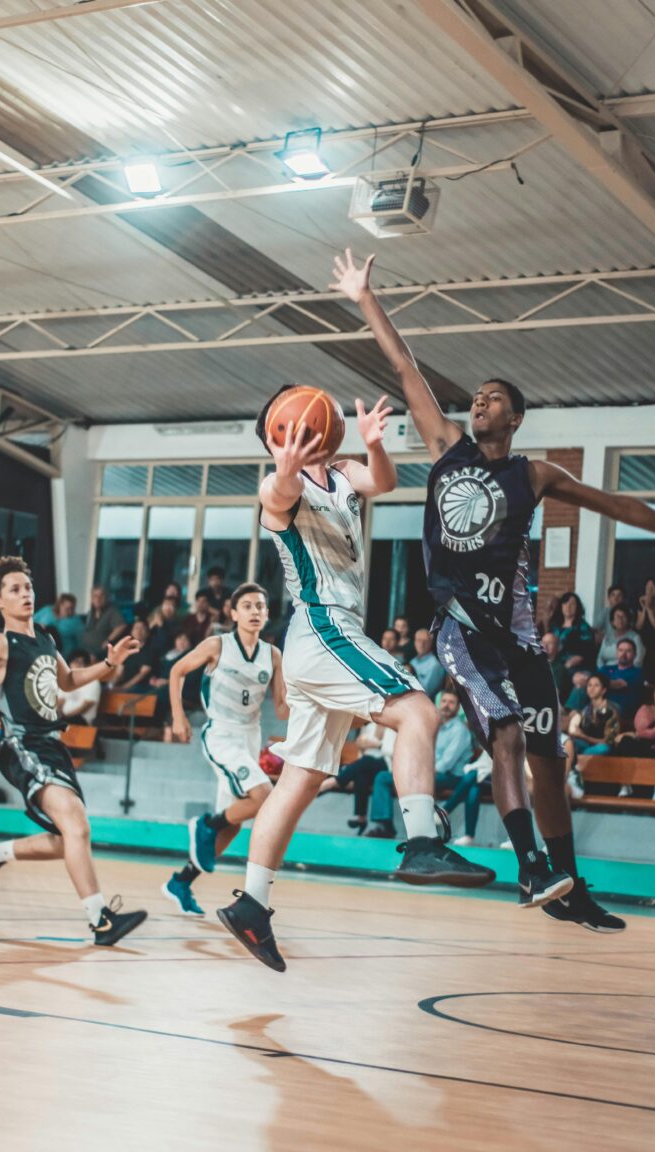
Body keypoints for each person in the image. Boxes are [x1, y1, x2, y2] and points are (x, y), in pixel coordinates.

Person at [335, 246, 655, 928]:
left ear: (514, 419)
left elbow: (614, 503)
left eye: (493, 399)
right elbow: (405, 367)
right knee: (507, 735)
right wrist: (366, 299)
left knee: (549, 758)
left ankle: (570, 888)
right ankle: (530, 869)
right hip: (461, 629)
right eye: (477, 397)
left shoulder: (532, 474)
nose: (479, 402)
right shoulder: (446, 445)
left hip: (518, 638)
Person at [216, 386, 495, 972]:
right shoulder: (279, 489)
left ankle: (252, 904)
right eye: (294, 425)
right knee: (418, 710)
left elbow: (383, 483)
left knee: (301, 779)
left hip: (325, 638)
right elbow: (276, 494)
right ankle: (422, 842)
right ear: (282, 436)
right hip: (323, 630)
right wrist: (284, 468)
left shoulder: (343, 473)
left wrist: (374, 445)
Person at [0, 556, 146, 945]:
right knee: (77, 825)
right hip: (22, 744)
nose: (25, 594)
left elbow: (69, 680)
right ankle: (101, 922)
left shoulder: (44, 637)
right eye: (15, 589)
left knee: (67, 838)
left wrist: (108, 663)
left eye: (27, 587)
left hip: (53, 746)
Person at [161, 583, 288, 916]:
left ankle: (181, 882)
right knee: (263, 796)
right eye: (247, 606)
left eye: (260, 606)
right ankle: (206, 824)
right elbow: (176, 671)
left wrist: (318, 705)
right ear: (233, 613)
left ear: (267, 614)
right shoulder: (217, 645)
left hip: (250, 736)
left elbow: (282, 708)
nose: (255, 611)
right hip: (220, 733)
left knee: (233, 825)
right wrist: (178, 716)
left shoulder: (273, 655)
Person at [366, 689, 475, 837]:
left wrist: (420, 772)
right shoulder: (433, 726)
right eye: (444, 701)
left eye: (451, 703)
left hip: (452, 777)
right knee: (382, 777)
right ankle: (385, 825)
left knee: (417, 780)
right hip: (431, 773)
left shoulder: (460, 730)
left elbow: (446, 764)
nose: (446, 705)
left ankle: (423, 831)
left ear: (457, 707)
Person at [318, 723, 397, 834]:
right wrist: (362, 746)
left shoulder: (393, 727)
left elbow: (394, 751)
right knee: (361, 775)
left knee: (366, 762)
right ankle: (361, 818)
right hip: (368, 765)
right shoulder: (369, 726)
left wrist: (378, 745)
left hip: (387, 764)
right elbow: (363, 750)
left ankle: (331, 782)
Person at [565, 673, 620, 797]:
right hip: (587, 745)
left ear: (604, 690)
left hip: (602, 746)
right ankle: (570, 774)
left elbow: (608, 741)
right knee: (569, 743)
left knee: (603, 748)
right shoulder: (586, 709)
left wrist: (583, 736)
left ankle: (576, 766)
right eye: (589, 685)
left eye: (596, 685)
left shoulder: (612, 710)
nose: (591, 688)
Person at [615, 678, 655, 796]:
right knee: (625, 741)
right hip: (639, 743)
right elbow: (640, 728)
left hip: (653, 747)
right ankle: (626, 784)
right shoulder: (645, 708)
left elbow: (654, 733)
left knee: (629, 740)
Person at [598, 638, 643, 723]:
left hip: (621, 710)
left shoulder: (637, 672)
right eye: (620, 650)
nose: (623, 654)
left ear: (635, 654)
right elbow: (593, 680)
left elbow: (618, 684)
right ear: (616, 653)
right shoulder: (605, 669)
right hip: (602, 706)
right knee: (580, 689)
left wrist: (597, 683)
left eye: (628, 651)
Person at [554, 592, 597, 674]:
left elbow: (589, 650)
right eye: (565, 603)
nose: (568, 606)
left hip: (576, 666)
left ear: (578, 607)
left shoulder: (583, 627)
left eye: (572, 604)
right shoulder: (555, 626)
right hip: (556, 664)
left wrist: (575, 660)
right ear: (561, 606)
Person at [80, 585, 127, 659]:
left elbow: (121, 626)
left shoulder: (112, 611)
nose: (98, 599)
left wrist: (108, 640)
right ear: (92, 598)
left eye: (101, 596)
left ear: (106, 597)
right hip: (85, 651)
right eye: (95, 596)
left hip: (99, 654)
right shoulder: (91, 612)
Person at [56, 649, 101, 725]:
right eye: (76, 662)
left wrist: (65, 717)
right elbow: (60, 701)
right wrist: (59, 715)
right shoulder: (67, 680)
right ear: (70, 663)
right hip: (64, 718)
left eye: (82, 662)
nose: (79, 665)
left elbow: (85, 706)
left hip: (82, 720)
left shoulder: (93, 682)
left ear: (86, 665)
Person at [115, 619, 154, 691]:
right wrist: (111, 685)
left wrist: (124, 687)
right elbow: (119, 672)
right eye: (136, 628)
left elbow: (142, 674)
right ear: (132, 632)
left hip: (140, 687)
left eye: (142, 628)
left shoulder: (150, 650)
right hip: (124, 685)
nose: (139, 631)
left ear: (147, 632)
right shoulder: (127, 650)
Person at [410, 628, 446, 700]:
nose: (422, 644)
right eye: (419, 640)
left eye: (425, 641)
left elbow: (426, 692)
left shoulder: (435, 665)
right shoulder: (412, 661)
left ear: (431, 643)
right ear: (414, 642)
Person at [540, 631, 572, 705]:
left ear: (557, 647)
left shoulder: (560, 669)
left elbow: (554, 694)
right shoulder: (532, 664)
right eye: (543, 643)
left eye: (549, 643)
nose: (545, 645)